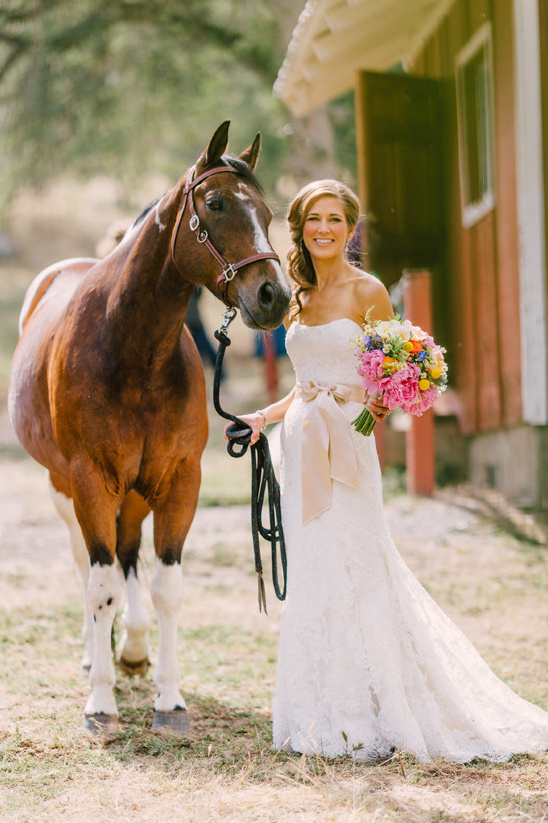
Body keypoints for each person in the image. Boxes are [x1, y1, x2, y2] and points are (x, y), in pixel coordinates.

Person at [229, 179, 548, 763]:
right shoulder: (295, 293)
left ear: (350, 228)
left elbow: (406, 367)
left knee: (358, 564)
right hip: (300, 445)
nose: (323, 229)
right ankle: (324, 709)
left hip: (348, 449)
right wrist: (260, 417)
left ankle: (375, 710)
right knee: (315, 574)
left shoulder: (368, 291)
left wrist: (377, 405)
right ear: (298, 228)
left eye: (334, 219)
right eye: (312, 220)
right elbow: (302, 388)